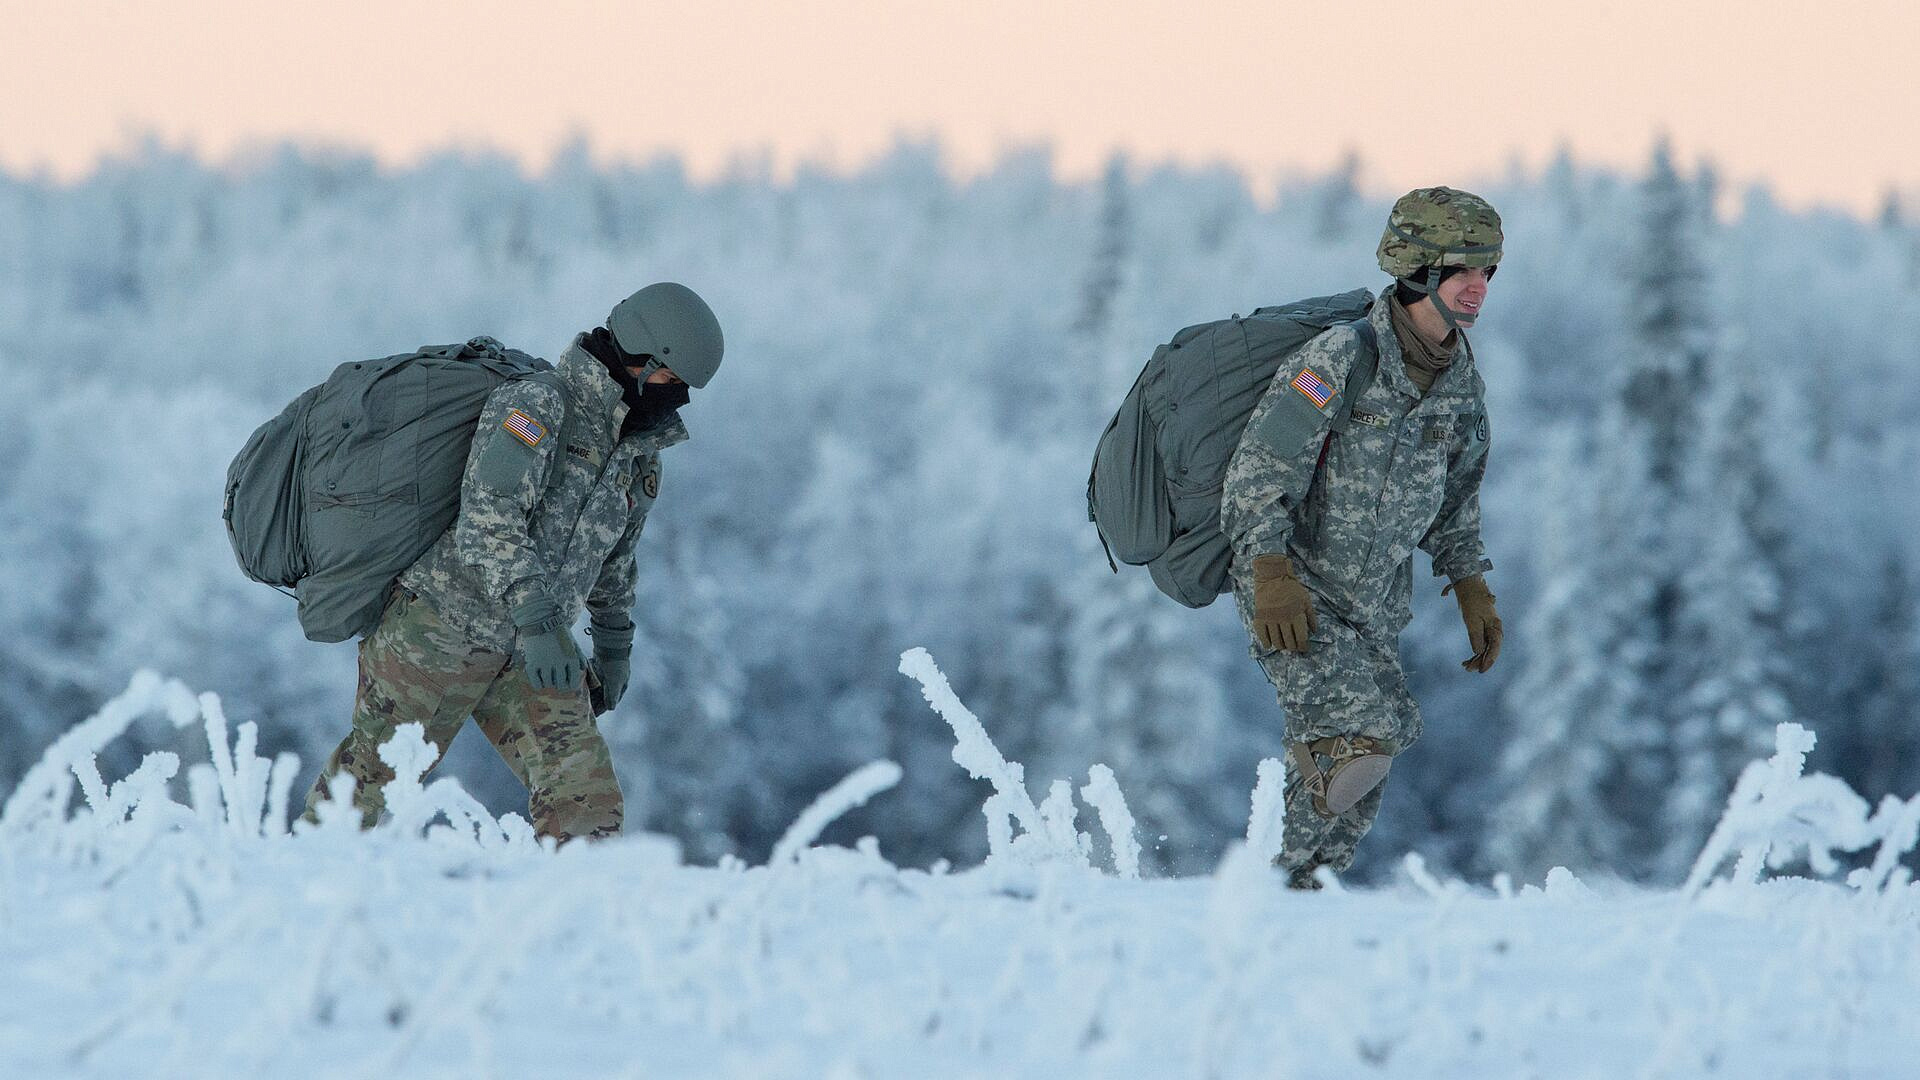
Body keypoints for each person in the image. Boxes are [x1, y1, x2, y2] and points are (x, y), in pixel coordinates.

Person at [301, 282, 724, 842]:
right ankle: (293, 892)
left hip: (532, 647)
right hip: (440, 629)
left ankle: (575, 916)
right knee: (370, 784)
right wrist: (537, 620)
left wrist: (615, 644)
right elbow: (488, 516)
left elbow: (616, 556)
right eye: (673, 381)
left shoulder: (636, 451)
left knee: (586, 800)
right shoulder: (538, 407)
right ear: (641, 358)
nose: (678, 399)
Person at [1221, 188, 1505, 889]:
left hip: (1375, 603)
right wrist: (1271, 574)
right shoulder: (1340, 359)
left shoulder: (1461, 385)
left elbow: (1458, 497)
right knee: (1356, 742)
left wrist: (1470, 583)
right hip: (1295, 585)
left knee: (1364, 761)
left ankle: (1292, 889)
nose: (1479, 287)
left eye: (1489, 271)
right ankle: (1268, 889)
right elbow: (1257, 474)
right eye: (1462, 269)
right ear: (1418, 271)